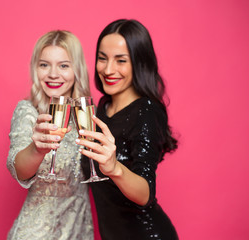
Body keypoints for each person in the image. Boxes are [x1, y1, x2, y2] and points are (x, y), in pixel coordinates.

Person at [77, 19, 179, 239]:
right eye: (102, 59)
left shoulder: (147, 111)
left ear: (139, 63)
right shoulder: (102, 107)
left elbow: (145, 194)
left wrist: (115, 168)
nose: (108, 69)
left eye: (121, 60)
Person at [6, 30, 93, 240]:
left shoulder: (88, 114)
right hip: (37, 233)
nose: (53, 74)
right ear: (36, 68)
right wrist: (37, 150)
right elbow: (17, 167)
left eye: (63, 65)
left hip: (79, 230)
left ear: (77, 69)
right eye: (44, 64)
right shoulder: (29, 110)